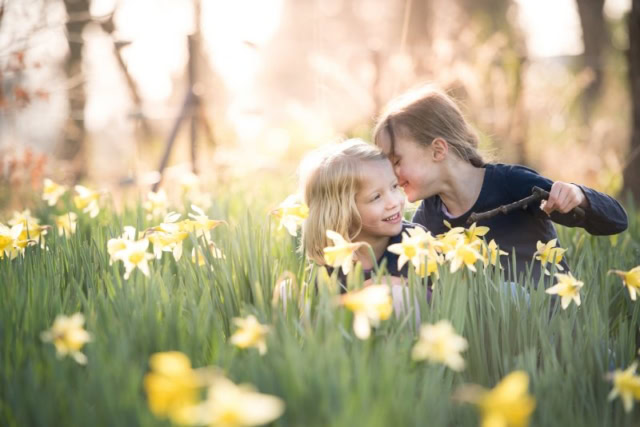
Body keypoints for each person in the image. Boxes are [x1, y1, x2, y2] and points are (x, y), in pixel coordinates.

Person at [373, 85, 628, 285]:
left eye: (396, 161)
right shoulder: (428, 220)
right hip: (496, 344)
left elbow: (616, 220)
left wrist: (578, 195)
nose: (392, 177)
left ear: (438, 150)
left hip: (553, 330)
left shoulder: (512, 185)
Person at [299, 138, 429, 294]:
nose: (394, 202)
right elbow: (323, 314)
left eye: (394, 187)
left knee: (398, 295)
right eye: (376, 197)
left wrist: (406, 285)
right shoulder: (333, 260)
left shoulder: (416, 242)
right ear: (343, 212)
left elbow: (444, 296)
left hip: (411, 316)